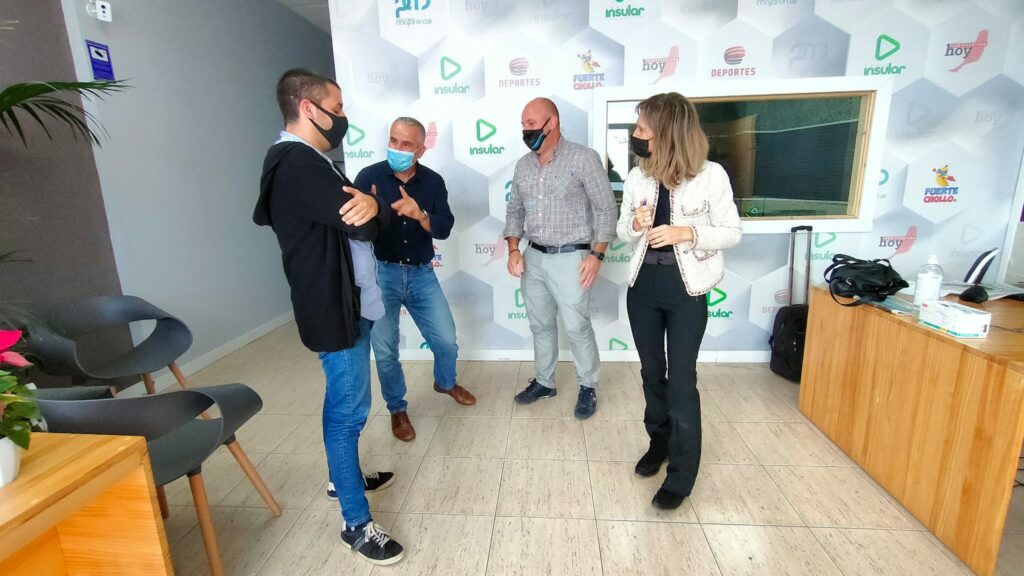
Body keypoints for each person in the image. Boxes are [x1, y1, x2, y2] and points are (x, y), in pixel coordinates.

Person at [253, 68, 403, 565]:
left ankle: (344, 479)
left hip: (346, 302)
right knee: (349, 410)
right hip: (333, 309)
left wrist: (373, 206)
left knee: (342, 400)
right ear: (307, 108)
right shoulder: (298, 164)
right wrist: (376, 208)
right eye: (336, 109)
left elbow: (369, 217)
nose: (342, 117)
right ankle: (356, 524)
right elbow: (365, 228)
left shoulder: (314, 161)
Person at [616, 92, 742, 510]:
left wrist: (687, 232)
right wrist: (635, 224)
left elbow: (732, 232)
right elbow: (621, 231)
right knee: (652, 372)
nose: (636, 134)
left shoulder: (711, 176)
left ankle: (682, 474)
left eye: (643, 128)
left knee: (682, 379)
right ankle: (660, 442)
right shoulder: (637, 176)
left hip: (687, 289)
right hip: (643, 286)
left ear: (668, 133)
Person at [354, 117, 475, 442]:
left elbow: (444, 228)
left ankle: (445, 382)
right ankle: (397, 409)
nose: (397, 148)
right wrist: (375, 210)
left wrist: (419, 214)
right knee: (385, 350)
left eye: (406, 144)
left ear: (420, 149)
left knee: (446, 341)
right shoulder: (368, 177)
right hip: (382, 274)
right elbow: (353, 229)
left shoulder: (433, 182)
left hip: (422, 273)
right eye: (393, 140)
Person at [504, 98, 617, 419]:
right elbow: (514, 211)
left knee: (577, 327)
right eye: (523, 125)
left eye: (531, 124)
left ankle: (588, 386)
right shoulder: (523, 166)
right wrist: (513, 249)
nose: (525, 130)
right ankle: (544, 382)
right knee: (540, 324)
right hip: (534, 257)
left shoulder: (583, 158)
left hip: (572, 257)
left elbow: (606, 208)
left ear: (551, 123)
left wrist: (597, 255)